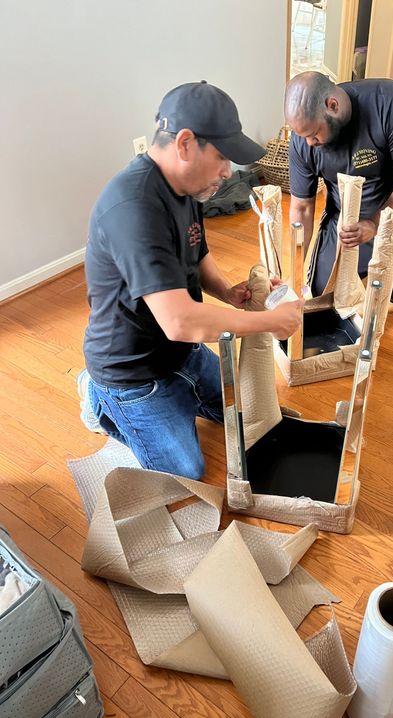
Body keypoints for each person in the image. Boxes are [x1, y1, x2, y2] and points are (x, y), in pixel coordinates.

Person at [79, 81, 302, 479]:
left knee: (246, 413)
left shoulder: (188, 189)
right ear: (185, 143)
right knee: (185, 471)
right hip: (133, 372)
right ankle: (98, 398)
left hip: (181, 353)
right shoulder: (134, 209)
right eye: (221, 157)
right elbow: (180, 322)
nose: (227, 171)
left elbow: (197, 256)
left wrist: (229, 292)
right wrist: (270, 323)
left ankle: (177, 398)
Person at [285, 72, 393, 311]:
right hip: (343, 222)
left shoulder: (391, 102)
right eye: (302, 136)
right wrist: (295, 271)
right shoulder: (302, 140)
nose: (308, 143)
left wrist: (375, 224)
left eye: (313, 134)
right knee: (323, 296)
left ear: (333, 106)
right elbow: (302, 207)